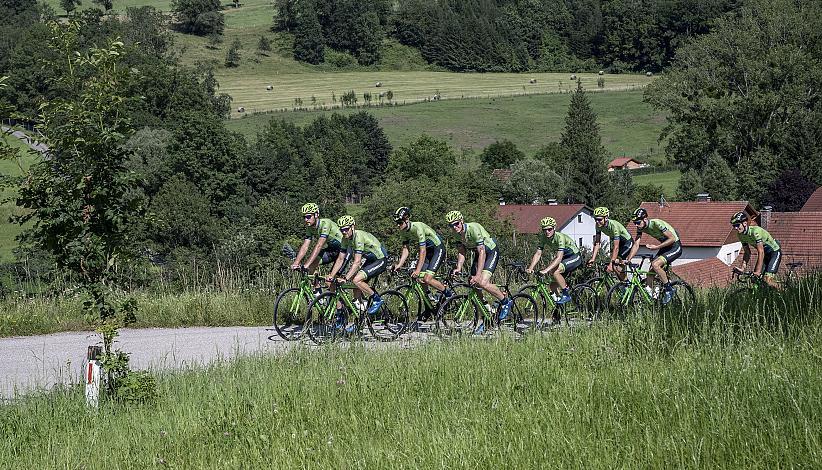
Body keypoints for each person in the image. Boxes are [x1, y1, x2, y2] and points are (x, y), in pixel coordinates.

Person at [445, 210, 512, 332]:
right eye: (451, 225)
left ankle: (505, 301)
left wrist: (478, 274)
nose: (454, 227)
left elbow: (482, 251)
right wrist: (458, 267)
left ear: (462, 221)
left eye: (456, 223)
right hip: (479, 254)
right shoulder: (456, 234)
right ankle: (488, 315)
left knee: (481, 282)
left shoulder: (473, 228)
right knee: (474, 285)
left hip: (490, 251)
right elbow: (461, 251)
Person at [326, 216, 389, 330]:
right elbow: (340, 259)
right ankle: (360, 321)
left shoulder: (358, 236)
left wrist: (345, 278)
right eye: (342, 230)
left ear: (352, 227)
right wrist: (331, 276)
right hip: (370, 260)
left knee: (356, 280)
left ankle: (377, 299)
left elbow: (357, 261)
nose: (344, 232)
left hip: (380, 259)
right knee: (356, 289)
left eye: (346, 229)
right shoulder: (345, 239)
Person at [391, 207, 453, 304]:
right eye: (397, 223)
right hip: (428, 250)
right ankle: (430, 300)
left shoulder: (417, 227)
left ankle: (449, 295)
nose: (398, 225)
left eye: (400, 222)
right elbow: (406, 250)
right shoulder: (403, 231)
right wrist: (399, 264)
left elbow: (422, 251)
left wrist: (418, 269)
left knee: (427, 278)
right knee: (419, 278)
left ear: (407, 219)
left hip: (438, 248)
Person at [624, 208, 681, 304]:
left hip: (675, 246)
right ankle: (653, 299)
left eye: (638, 222)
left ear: (645, 219)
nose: (636, 225)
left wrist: (656, 247)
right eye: (635, 223)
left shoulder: (656, 223)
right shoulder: (640, 227)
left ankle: (669, 289)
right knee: (650, 273)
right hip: (665, 247)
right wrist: (629, 259)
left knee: (655, 265)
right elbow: (636, 244)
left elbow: (672, 238)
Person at [525, 217, 582, 305]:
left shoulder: (560, 237)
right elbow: (538, 254)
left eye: (549, 229)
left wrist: (546, 270)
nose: (547, 232)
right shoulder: (543, 237)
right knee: (552, 286)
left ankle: (566, 295)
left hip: (574, 256)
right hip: (564, 258)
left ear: (554, 228)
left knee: (555, 272)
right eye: (544, 230)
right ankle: (559, 307)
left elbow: (558, 258)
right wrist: (531, 268)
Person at [730, 211, 781, 289]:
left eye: (737, 225)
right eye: (734, 226)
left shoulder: (755, 231)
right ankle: (764, 297)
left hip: (774, 252)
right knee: (754, 280)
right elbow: (747, 252)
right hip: (765, 255)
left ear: (744, 223)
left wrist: (757, 271)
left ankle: (784, 291)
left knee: (767, 280)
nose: (735, 228)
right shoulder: (740, 235)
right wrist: (742, 268)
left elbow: (761, 252)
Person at [291, 203, 344, 275]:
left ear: (316, 215)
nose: (306, 219)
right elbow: (305, 246)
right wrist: (296, 262)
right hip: (332, 250)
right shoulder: (309, 228)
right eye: (304, 217)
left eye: (308, 216)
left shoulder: (326, 223)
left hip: (344, 252)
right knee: (311, 266)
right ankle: (316, 286)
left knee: (330, 281)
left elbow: (319, 245)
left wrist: (306, 265)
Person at [588, 206, 632, 282]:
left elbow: (616, 247)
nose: (597, 222)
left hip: (627, 243)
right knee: (614, 265)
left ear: (606, 218)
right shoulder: (598, 226)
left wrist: (611, 264)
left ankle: (626, 284)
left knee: (614, 265)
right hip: (619, 244)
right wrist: (593, 258)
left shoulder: (614, 226)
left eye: (599, 219)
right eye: (595, 219)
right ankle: (623, 284)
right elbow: (597, 243)